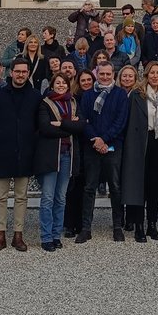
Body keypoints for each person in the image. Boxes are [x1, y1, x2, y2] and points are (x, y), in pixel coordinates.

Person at [0, 57, 40, 252]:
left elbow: (39, 123)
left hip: (25, 152)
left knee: (21, 196)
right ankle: (0, 235)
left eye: (24, 71)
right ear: (11, 72)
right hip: (2, 152)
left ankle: (18, 235)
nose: (20, 75)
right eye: (17, 71)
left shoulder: (35, 96)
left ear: (28, 73)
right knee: (1, 196)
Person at [121, 60, 158, 243]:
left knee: (153, 186)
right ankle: (139, 226)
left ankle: (152, 223)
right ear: (146, 75)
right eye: (152, 73)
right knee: (139, 186)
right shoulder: (137, 95)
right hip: (139, 143)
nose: (155, 76)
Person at [77, 63, 130, 243]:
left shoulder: (120, 94)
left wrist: (104, 140)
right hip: (92, 147)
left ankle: (117, 226)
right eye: (102, 74)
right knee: (89, 187)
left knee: (115, 188)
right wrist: (96, 140)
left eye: (108, 74)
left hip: (113, 147)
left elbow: (120, 121)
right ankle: (86, 228)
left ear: (113, 74)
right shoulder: (87, 95)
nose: (105, 77)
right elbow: (84, 119)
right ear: (96, 74)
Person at [35, 72, 86, 252]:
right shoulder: (45, 103)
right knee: (48, 198)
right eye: (58, 83)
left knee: (61, 198)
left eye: (64, 83)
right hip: (50, 156)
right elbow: (45, 128)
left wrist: (61, 124)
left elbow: (81, 126)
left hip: (68, 156)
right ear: (52, 85)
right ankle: (46, 237)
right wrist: (69, 127)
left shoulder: (73, 102)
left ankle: (57, 235)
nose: (61, 86)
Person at [62, 69, 95, 237]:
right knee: (72, 185)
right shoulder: (73, 99)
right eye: (84, 80)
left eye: (89, 79)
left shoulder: (97, 97)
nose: (87, 82)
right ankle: (70, 223)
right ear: (78, 82)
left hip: (90, 145)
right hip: (75, 144)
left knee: (86, 185)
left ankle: (84, 223)